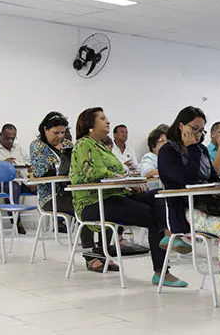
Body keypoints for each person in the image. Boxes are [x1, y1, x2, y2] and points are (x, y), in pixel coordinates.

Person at [70, 107, 187, 286]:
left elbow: (118, 171)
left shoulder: (102, 146)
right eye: (102, 118)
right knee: (153, 217)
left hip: (116, 195)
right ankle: (162, 268)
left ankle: (167, 235)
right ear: (90, 125)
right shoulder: (83, 144)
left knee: (158, 195)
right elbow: (93, 173)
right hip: (93, 202)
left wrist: (129, 183)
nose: (107, 121)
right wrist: (122, 178)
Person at [158, 106, 220, 310]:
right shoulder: (167, 152)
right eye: (195, 129)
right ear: (181, 126)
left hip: (212, 206)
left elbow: (211, 178)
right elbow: (186, 179)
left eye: (201, 130)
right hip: (185, 211)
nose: (199, 135)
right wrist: (192, 148)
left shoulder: (201, 149)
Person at [30, 111, 115, 272]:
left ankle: (103, 251)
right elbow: (40, 171)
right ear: (45, 130)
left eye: (63, 132)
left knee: (105, 205)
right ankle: (90, 255)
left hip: (72, 191)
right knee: (84, 208)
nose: (60, 136)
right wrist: (61, 165)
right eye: (56, 132)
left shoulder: (69, 144)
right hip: (51, 196)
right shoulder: (37, 146)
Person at [0, 124, 35, 234]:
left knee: (42, 187)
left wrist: (31, 179)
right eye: (8, 138)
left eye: (13, 138)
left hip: (23, 181)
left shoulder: (18, 148)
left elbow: (29, 163)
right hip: (3, 183)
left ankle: (56, 221)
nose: (10, 141)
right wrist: (3, 164)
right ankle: (17, 221)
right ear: (0, 135)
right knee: (13, 188)